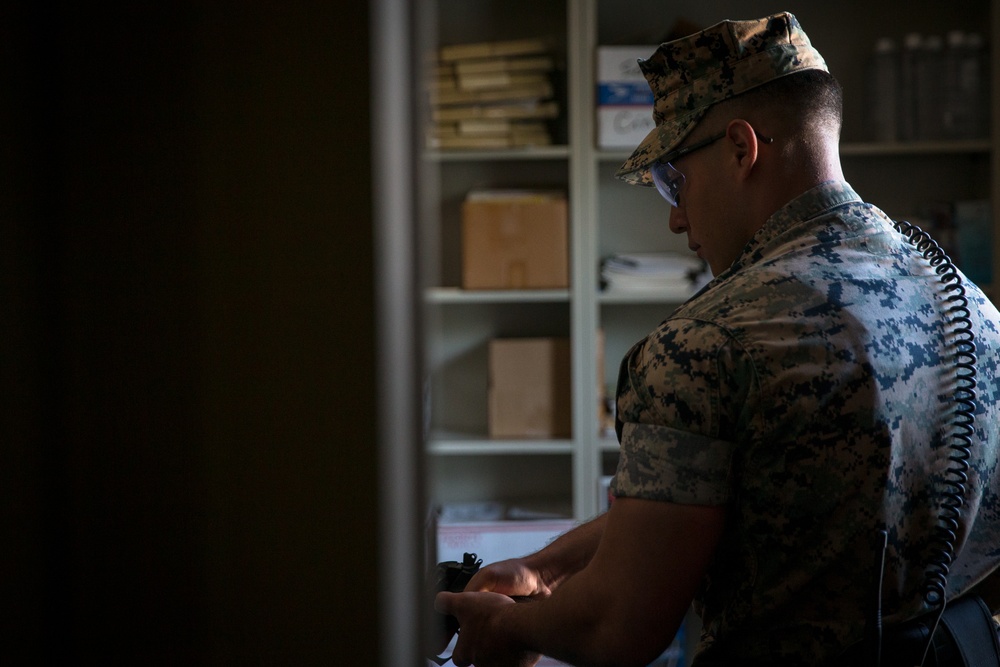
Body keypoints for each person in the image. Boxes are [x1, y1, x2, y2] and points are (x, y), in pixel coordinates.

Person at [435, 12, 1000, 667]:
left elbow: (618, 623)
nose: (676, 217)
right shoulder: (972, 307)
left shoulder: (703, 343)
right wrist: (544, 566)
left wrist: (509, 629)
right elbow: (710, 496)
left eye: (675, 179)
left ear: (741, 148)